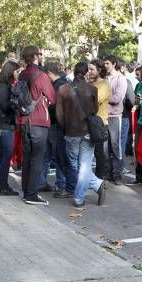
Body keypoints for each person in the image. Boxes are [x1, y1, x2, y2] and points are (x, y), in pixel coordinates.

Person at [57, 62, 108, 208]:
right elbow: (95, 110)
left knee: (75, 164)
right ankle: (96, 185)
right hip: (87, 132)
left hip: (71, 133)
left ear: (73, 72)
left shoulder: (63, 89)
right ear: (86, 73)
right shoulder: (92, 89)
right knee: (84, 166)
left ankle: (80, 197)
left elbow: (60, 115)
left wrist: (65, 129)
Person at [17, 45, 56, 205]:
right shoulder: (41, 75)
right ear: (35, 56)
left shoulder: (22, 75)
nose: (42, 56)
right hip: (38, 120)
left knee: (27, 157)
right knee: (37, 158)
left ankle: (26, 190)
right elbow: (52, 98)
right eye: (40, 54)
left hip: (23, 119)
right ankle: (31, 194)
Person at [41, 61, 73, 196]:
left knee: (57, 155)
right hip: (54, 124)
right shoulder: (62, 84)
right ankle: (44, 182)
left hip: (56, 124)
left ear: (48, 73)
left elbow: (57, 107)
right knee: (49, 154)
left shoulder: (59, 86)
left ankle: (61, 184)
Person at [0, 61, 21, 196]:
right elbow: (5, 106)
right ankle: (3, 186)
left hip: (1, 124)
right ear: (11, 71)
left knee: (3, 156)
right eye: (17, 71)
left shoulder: (1, 85)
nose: (18, 73)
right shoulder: (3, 87)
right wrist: (16, 103)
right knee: (5, 156)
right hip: (4, 125)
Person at [103, 56, 128, 184]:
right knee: (105, 147)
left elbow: (117, 98)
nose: (105, 66)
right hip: (104, 116)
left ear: (113, 64)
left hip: (115, 116)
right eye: (104, 63)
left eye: (107, 63)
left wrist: (102, 95)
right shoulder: (104, 78)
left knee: (115, 146)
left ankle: (117, 174)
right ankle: (107, 173)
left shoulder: (121, 79)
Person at [89, 59, 110, 179]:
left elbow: (95, 101)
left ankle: (100, 180)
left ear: (99, 70)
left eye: (92, 69)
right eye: (89, 69)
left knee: (100, 154)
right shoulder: (89, 83)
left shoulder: (104, 84)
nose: (89, 72)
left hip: (100, 123)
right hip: (88, 122)